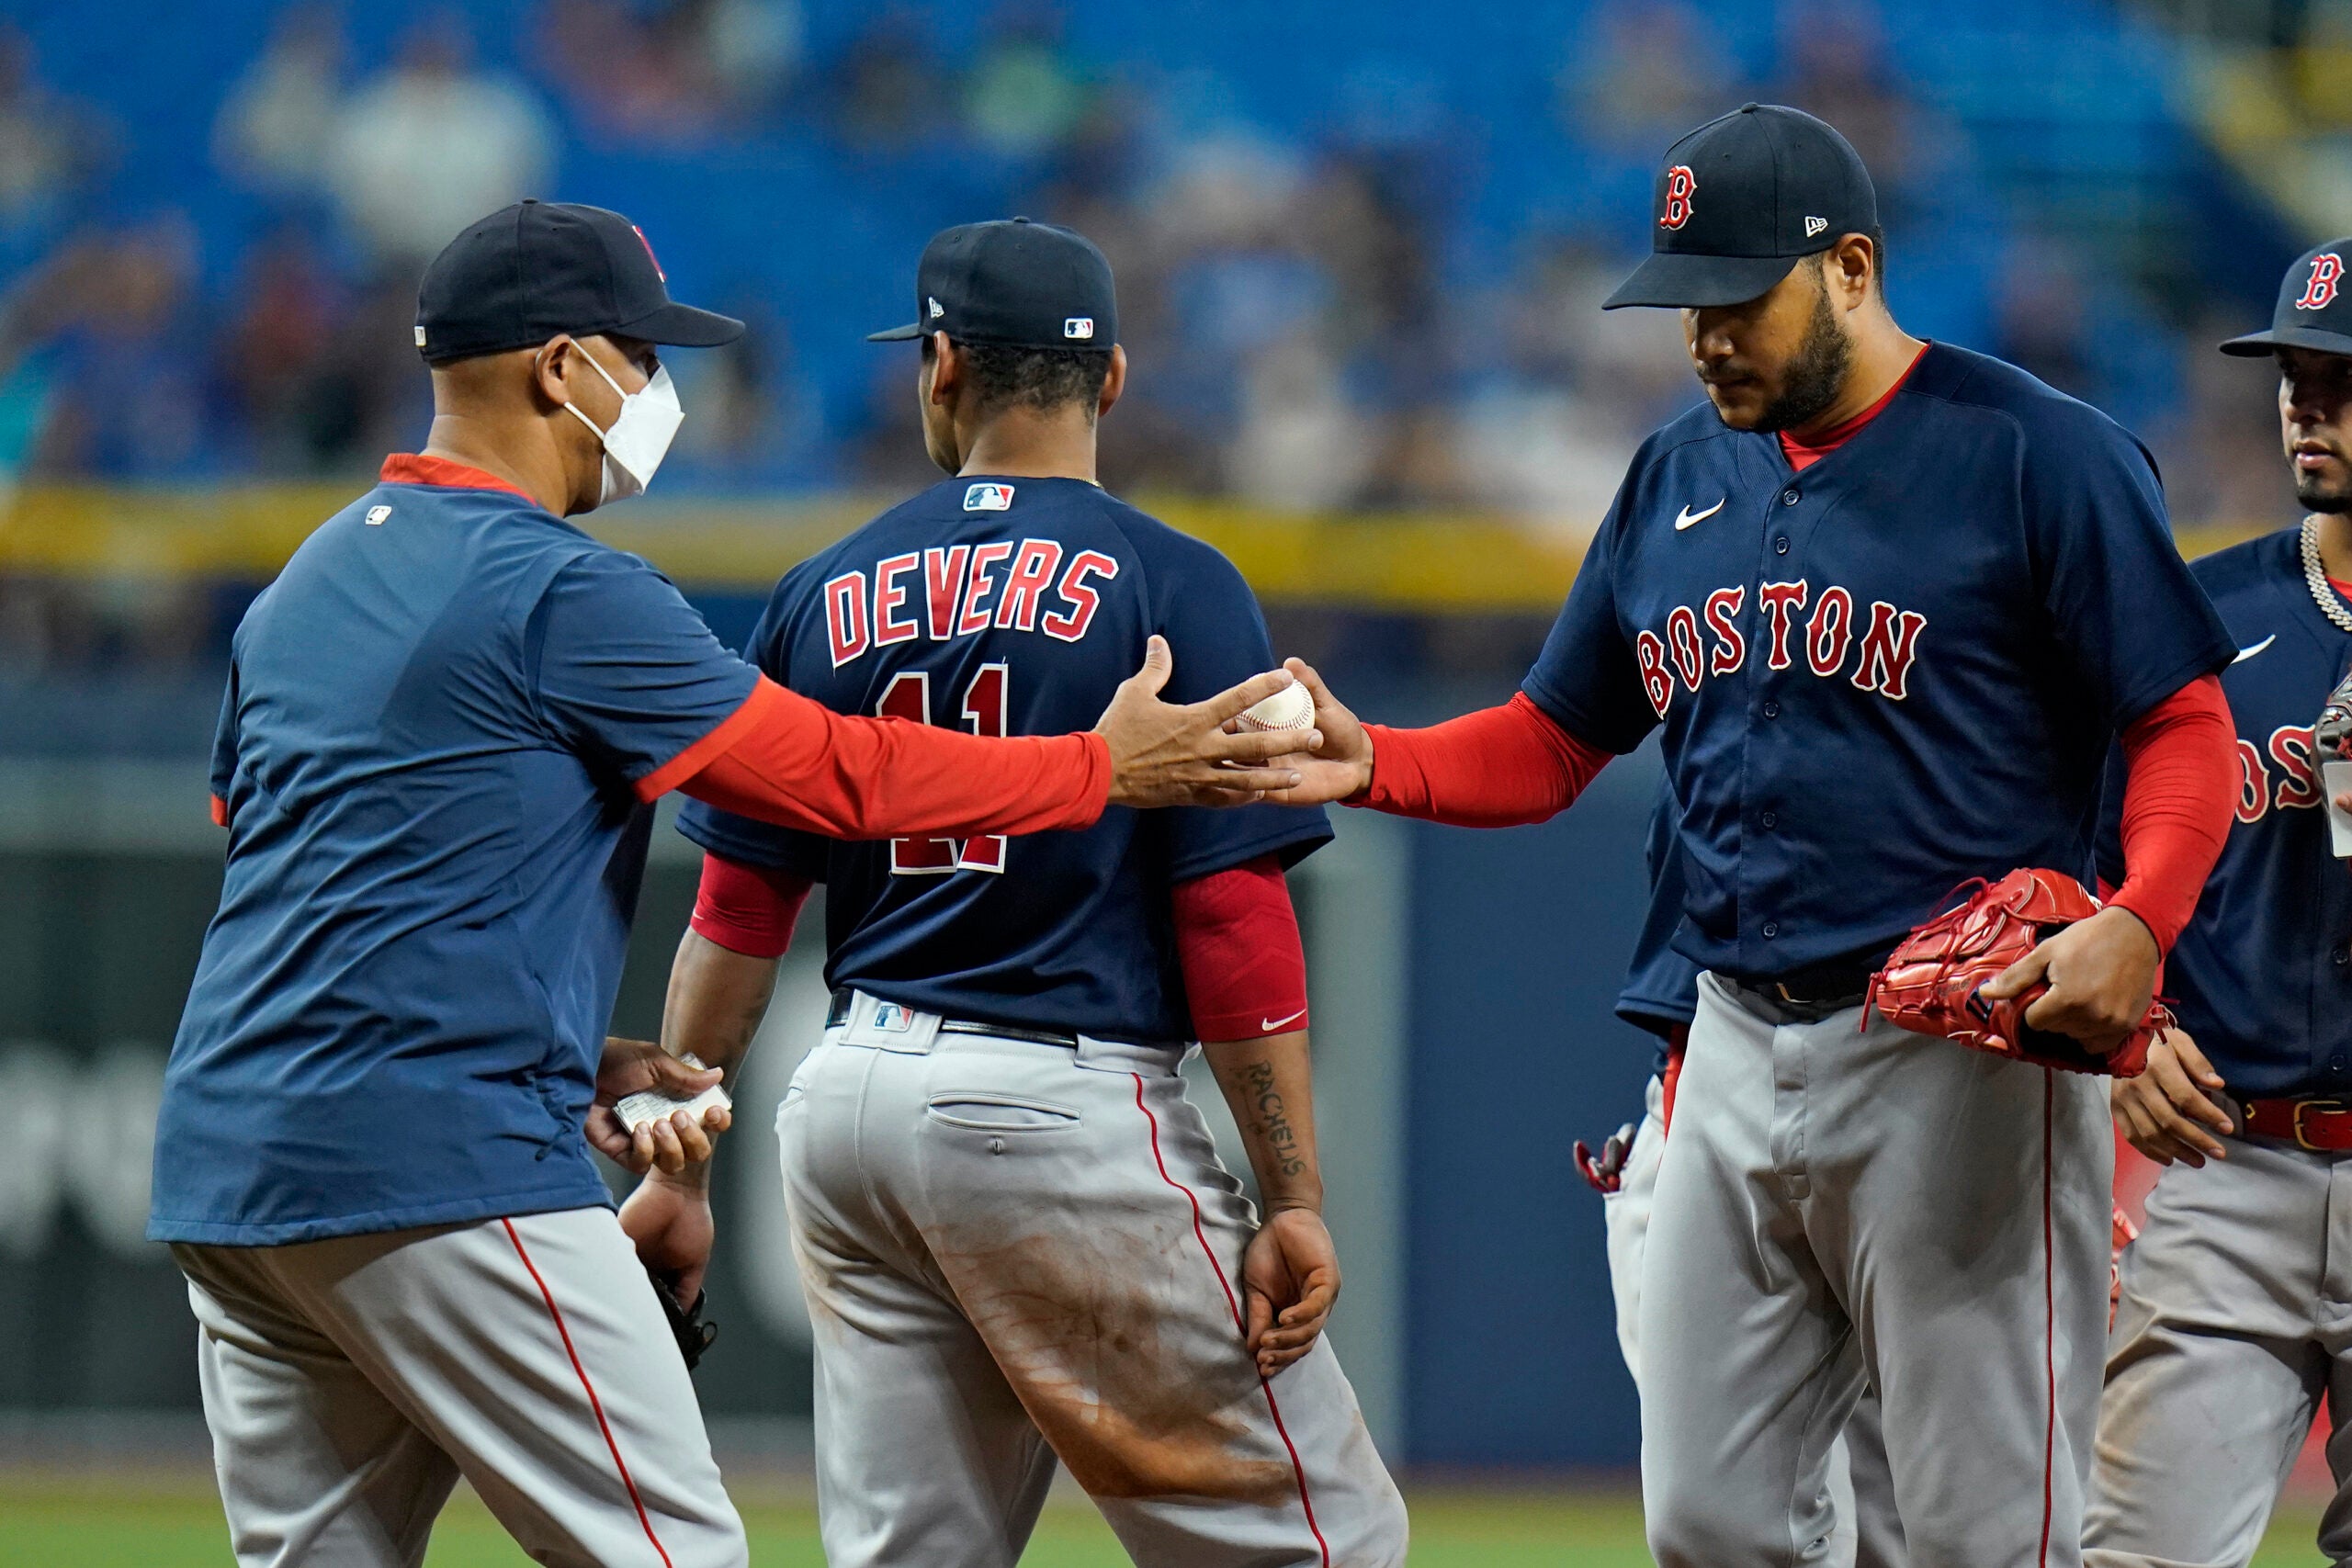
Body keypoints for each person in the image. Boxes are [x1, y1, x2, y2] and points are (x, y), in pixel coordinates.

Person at [147, 200, 1310, 1568]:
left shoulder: (298, 587)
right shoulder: (558, 586)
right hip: (438, 1161)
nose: (655, 389)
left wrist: (570, 1052)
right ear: (560, 365)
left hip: (227, 1173)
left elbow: (297, 855)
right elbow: (826, 776)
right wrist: (1089, 770)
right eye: (640, 356)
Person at [1268, 105, 2242, 1566]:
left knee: (1990, 1531)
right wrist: (1373, 759)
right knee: (1711, 1519)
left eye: (1738, 298)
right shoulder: (1674, 475)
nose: (1705, 336)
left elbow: (2185, 723)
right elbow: (1552, 739)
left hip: (1958, 1055)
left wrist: (2142, 915)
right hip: (1723, 1037)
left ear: (1851, 265)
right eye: (1685, 305)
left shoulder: (2039, 454)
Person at [627, 217, 1408, 1567]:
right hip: (1056, 1107)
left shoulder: (825, 587)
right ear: (1110, 381)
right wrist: (1293, 1194)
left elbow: (737, 915)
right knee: (1326, 1537)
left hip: (850, 1098)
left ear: (940, 369)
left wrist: (678, 1147)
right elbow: (1231, 920)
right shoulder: (1177, 584)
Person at [2085, 239, 2352, 1566]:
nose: (2310, 404)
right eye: (2296, 375)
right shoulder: (2204, 615)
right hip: (2224, 1163)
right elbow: (2077, 879)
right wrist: (2120, 1037)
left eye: (2343, 378)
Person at [1585, 781, 1906, 1568]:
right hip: (1705, 1103)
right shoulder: (1719, 735)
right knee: (1733, 1521)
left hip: (1911, 1094)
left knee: (1923, 1521)